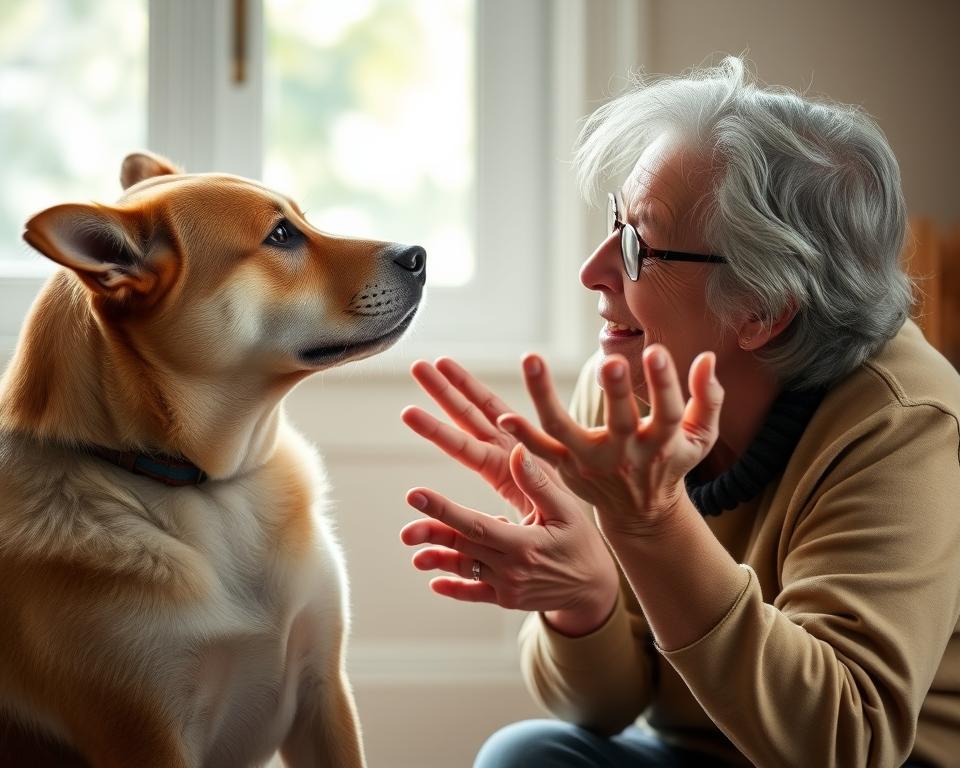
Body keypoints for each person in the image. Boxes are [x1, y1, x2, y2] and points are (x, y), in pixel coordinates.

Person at [399, 56, 960, 767]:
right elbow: (600, 710)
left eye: (639, 242)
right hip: (696, 752)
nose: (593, 269)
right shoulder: (628, 381)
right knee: (528, 754)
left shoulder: (901, 422)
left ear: (761, 309)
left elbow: (844, 742)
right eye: (614, 220)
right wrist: (584, 598)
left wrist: (652, 523)